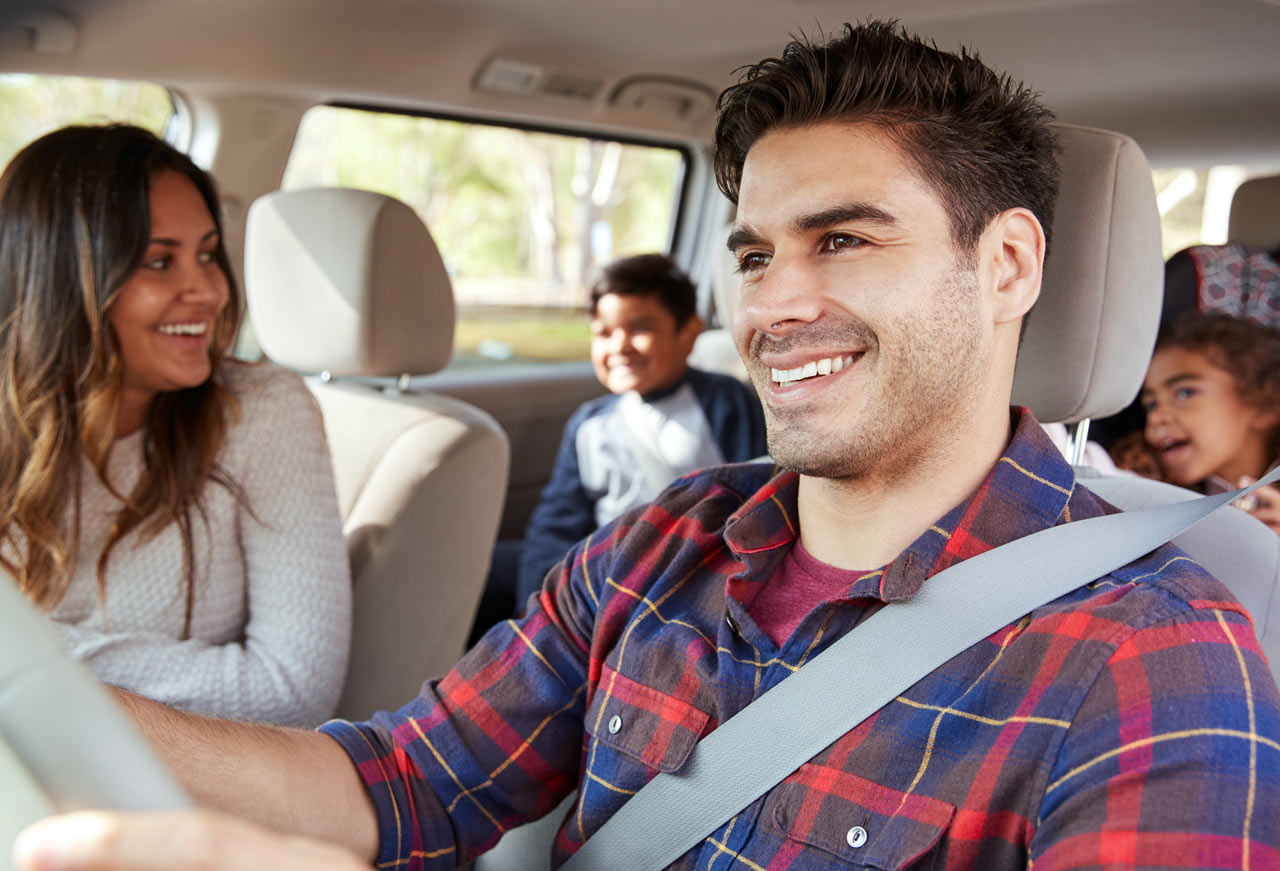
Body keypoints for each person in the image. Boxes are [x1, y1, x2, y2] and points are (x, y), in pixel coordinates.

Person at [14, 22, 1280, 871]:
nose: (773, 305)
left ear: (1003, 266)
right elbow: (406, 781)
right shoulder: (663, 545)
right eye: (751, 253)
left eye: (841, 240)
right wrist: (41, 701)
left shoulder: (1148, 656)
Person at [0, 124, 352, 727]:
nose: (211, 290)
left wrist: (29, 657)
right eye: (161, 261)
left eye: (209, 254)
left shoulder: (262, 412)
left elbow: (293, 691)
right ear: (60, 283)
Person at [515, 252, 767, 603]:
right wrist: (541, 601)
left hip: (688, 573)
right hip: (603, 573)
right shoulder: (589, 423)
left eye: (641, 328)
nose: (619, 346)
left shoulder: (723, 400)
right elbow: (556, 522)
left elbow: (756, 499)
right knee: (481, 564)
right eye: (603, 333)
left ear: (689, 334)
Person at [1115, 310, 1280, 534]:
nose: (1156, 417)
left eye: (1185, 393)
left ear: (1264, 404)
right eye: (1151, 405)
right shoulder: (1147, 493)